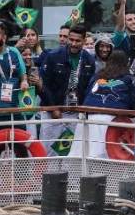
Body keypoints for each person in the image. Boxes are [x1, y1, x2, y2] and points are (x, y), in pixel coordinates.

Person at [70, 50, 135, 159]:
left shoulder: (97, 76)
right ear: (126, 63)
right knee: (106, 156)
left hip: (87, 117)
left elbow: (86, 94)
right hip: (111, 119)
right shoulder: (129, 78)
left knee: (82, 154)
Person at [41, 23, 96, 155]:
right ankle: (48, 176)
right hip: (52, 113)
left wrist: (82, 110)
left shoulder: (89, 60)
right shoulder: (53, 56)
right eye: (71, 40)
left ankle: (68, 176)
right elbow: (43, 85)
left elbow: (88, 88)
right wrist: (53, 108)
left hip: (74, 112)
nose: (73, 43)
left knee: (68, 152)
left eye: (78, 41)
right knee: (50, 153)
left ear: (83, 41)